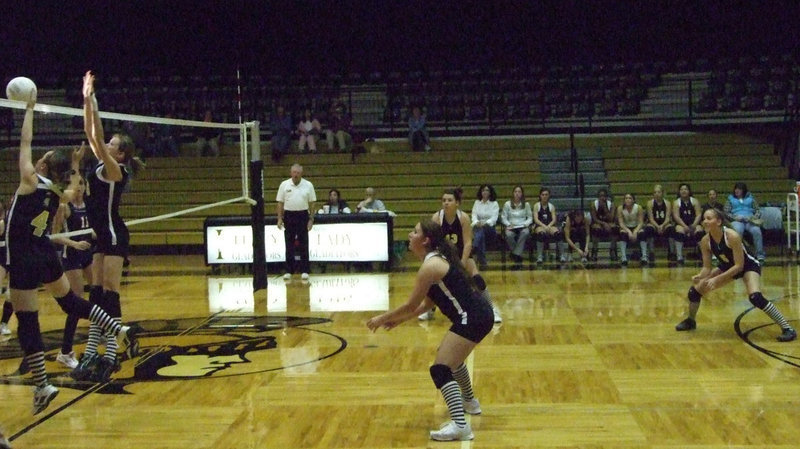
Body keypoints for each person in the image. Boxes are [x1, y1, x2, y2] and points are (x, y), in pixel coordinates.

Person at [6, 91, 137, 415]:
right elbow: (87, 151)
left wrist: (29, 109)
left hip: (28, 254)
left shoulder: (32, 179)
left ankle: (44, 383)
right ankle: (117, 331)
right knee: (76, 300)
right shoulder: (56, 192)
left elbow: (27, 141)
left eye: (112, 146)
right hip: (46, 251)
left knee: (30, 320)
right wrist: (88, 104)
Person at [367, 219, 493, 441]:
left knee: (441, 368)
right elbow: (426, 305)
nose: (409, 235)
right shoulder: (435, 261)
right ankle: (470, 402)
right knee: (452, 360)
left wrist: (381, 318)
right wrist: (400, 321)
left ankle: (461, 426)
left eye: (414, 232)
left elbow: (410, 305)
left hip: (472, 317)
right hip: (479, 315)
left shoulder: (430, 266)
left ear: (425, 240)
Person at [75, 71, 145, 383]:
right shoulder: (104, 163)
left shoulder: (116, 169)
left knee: (110, 293)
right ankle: (95, 350)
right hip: (102, 235)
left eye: (112, 143)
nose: (106, 143)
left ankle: (113, 350)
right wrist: (86, 98)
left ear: (120, 153)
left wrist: (93, 100)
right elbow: (90, 130)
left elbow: (93, 135)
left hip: (115, 235)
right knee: (97, 295)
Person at [675, 208, 796, 342]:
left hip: (747, 265)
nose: (705, 221)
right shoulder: (705, 241)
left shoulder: (732, 236)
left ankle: (787, 328)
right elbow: (706, 268)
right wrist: (700, 276)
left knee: (756, 297)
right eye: (704, 219)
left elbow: (739, 266)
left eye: (709, 218)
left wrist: (717, 279)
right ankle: (691, 321)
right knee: (694, 292)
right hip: (727, 266)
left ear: (719, 221)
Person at [419, 187, 501, 323]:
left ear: (457, 203)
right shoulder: (437, 218)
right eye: (444, 200)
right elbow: (432, 243)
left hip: (462, 255)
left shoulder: (463, 218)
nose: (446, 203)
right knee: (433, 280)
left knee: (477, 279)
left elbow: (468, 243)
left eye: (450, 200)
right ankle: (429, 309)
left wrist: (461, 263)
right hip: (443, 257)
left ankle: (492, 308)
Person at [49, 177, 94, 369]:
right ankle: (65, 351)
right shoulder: (64, 208)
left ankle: (100, 339)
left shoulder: (88, 205)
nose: (80, 188)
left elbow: (89, 230)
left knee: (99, 293)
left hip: (88, 254)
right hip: (72, 256)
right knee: (77, 302)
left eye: (83, 184)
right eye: (77, 185)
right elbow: (54, 235)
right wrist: (75, 243)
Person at [276, 163, 316, 281]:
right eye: (294, 172)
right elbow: (280, 203)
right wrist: (279, 218)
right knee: (289, 244)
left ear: (301, 173)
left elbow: (312, 203)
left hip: (303, 215)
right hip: (289, 215)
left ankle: (305, 270)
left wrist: (311, 219)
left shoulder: (308, 185)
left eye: (298, 173)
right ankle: (289, 270)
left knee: (304, 243)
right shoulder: (284, 184)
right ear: (291, 173)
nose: (296, 175)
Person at [724, 182, 766, 262]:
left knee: (756, 231)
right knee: (737, 231)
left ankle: (760, 254)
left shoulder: (751, 199)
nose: (737, 191)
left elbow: (758, 210)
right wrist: (734, 218)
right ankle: (738, 253)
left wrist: (753, 217)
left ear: (743, 190)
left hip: (749, 220)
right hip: (737, 219)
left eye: (739, 189)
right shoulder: (730, 199)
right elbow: (726, 212)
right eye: (736, 189)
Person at [501, 185, 533, 269]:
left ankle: (515, 254)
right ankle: (518, 256)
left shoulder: (526, 204)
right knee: (508, 235)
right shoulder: (507, 204)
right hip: (512, 226)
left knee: (526, 232)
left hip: (522, 225)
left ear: (522, 194)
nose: (517, 194)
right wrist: (508, 224)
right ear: (513, 193)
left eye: (519, 192)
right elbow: (503, 217)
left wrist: (526, 223)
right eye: (515, 192)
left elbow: (530, 217)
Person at [672, 183, 704, 265]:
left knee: (699, 230)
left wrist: (693, 225)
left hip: (693, 223)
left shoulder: (694, 201)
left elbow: (699, 215)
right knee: (679, 230)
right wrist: (685, 226)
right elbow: (676, 217)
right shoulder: (676, 202)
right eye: (682, 189)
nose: (683, 191)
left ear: (689, 191)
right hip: (682, 224)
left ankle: (703, 254)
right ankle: (679, 256)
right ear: (679, 192)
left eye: (685, 189)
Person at [470, 184, 499, 270]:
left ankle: (474, 247)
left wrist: (485, 223)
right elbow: (474, 215)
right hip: (478, 227)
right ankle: (482, 261)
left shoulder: (494, 203)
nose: (485, 192)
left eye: (487, 190)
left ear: (490, 192)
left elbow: (494, 218)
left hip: (490, 228)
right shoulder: (477, 203)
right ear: (481, 192)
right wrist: (476, 222)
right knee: (480, 234)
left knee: (481, 231)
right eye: (483, 190)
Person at [645, 184, 675, 263]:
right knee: (649, 228)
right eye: (655, 192)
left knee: (671, 228)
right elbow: (650, 218)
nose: (657, 194)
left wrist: (662, 226)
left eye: (658, 192)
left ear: (662, 193)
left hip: (664, 223)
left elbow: (668, 218)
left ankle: (671, 252)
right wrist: (657, 226)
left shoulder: (667, 203)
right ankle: (651, 252)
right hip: (654, 223)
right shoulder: (650, 203)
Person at [616, 193, 649, 266]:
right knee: (622, 234)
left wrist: (635, 231)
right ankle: (623, 257)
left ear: (633, 200)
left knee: (642, 233)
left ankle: (644, 257)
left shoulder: (638, 207)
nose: (628, 200)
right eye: (626, 198)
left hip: (636, 226)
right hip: (626, 227)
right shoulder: (620, 208)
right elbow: (621, 223)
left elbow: (641, 222)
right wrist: (628, 231)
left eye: (630, 198)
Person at [532, 187, 561, 264]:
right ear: (540, 196)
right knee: (541, 234)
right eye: (543, 195)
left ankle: (562, 255)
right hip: (539, 225)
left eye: (546, 195)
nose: (544, 196)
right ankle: (540, 256)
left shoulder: (551, 206)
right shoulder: (536, 205)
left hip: (549, 225)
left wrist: (549, 226)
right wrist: (544, 226)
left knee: (558, 233)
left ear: (549, 196)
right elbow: (536, 219)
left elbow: (554, 219)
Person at [589, 188, 618, 261]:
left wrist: (605, 208)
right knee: (596, 228)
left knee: (615, 228)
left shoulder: (611, 204)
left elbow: (611, 218)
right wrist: (604, 223)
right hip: (598, 223)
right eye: (600, 196)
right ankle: (595, 251)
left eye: (604, 196)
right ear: (598, 197)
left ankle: (612, 250)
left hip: (608, 223)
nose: (602, 198)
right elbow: (594, 219)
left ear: (607, 197)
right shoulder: (593, 204)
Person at [0, 198, 10, 336]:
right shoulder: (2, 223)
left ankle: (4, 323)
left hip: (13, 258)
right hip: (1, 258)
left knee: (12, 295)